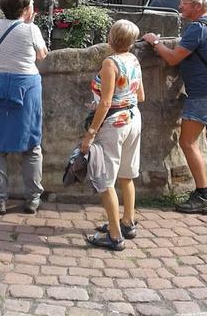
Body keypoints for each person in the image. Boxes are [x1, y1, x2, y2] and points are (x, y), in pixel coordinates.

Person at [143, 0, 207, 214]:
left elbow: (173, 58)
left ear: (198, 6)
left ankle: (203, 195)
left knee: (188, 142)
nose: (180, 7)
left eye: (184, 3)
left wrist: (155, 42)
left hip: (204, 94)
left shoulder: (197, 28)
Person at [0, 0, 48, 215]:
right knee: (31, 145)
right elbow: (42, 55)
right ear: (27, 8)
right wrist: (31, 23)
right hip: (25, 86)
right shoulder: (31, 30)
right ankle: (32, 199)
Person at [81, 19, 144, 251]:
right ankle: (128, 222)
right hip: (133, 118)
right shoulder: (134, 59)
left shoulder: (110, 63)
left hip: (114, 125)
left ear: (111, 38)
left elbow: (106, 103)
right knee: (127, 175)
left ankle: (115, 236)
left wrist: (90, 133)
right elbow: (141, 95)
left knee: (105, 179)